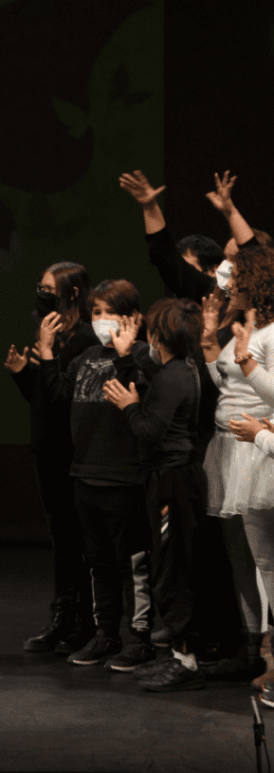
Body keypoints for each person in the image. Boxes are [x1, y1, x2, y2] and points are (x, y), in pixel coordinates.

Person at [119, 168, 266, 664]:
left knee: (260, 554)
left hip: (259, 442)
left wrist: (228, 211)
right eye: (222, 263)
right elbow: (163, 256)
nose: (226, 271)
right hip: (215, 445)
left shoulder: (260, 320)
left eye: (235, 263)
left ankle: (258, 650)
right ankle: (230, 642)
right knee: (222, 555)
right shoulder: (211, 306)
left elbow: (257, 259)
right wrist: (149, 207)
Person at [38, 280, 156, 671]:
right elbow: (58, 396)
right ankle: (106, 634)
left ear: (131, 317)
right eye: (96, 313)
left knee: (132, 564)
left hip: (124, 477)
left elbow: (145, 392)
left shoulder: (144, 355)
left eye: (110, 312)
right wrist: (45, 352)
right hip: (84, 473)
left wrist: (126, 354)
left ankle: (141, 638)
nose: (102, 320)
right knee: (98, 563)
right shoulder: (86, 356)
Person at [102, 298, 208, 691]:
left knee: (171, 573)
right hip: (174, 480)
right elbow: (154, 373)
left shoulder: (172, 377)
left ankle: (185, 662)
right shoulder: (181, 368)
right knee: (169, 567)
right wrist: (127, 356)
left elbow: (148, 432)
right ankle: (181, 657)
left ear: (159, 335)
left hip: (172, 483)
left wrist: (129, 406)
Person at [4, 263, 97, 655]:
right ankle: (64, 616)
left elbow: (65, 401)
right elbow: (44, 399)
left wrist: (45, 354)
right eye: (39, 287)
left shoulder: (84, 341)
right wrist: (26, 373)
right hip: (48, 449)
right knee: (61, 539)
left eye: (48, 288)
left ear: (71, 293)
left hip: (72, 453)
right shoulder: (55, 333)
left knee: (79, 539)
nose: (41, 294)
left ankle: (86, 622)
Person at [200, 245, 274, 685]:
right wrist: (212, 341)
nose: (229, 287)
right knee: (241, 556)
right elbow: (226, 385)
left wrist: (265, 431)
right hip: (232, 442)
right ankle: (252, 648)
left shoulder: (270, 332)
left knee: (265, 559)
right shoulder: (244, 327)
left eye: (238, 280)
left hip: (257, 446)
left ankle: (268, 656)